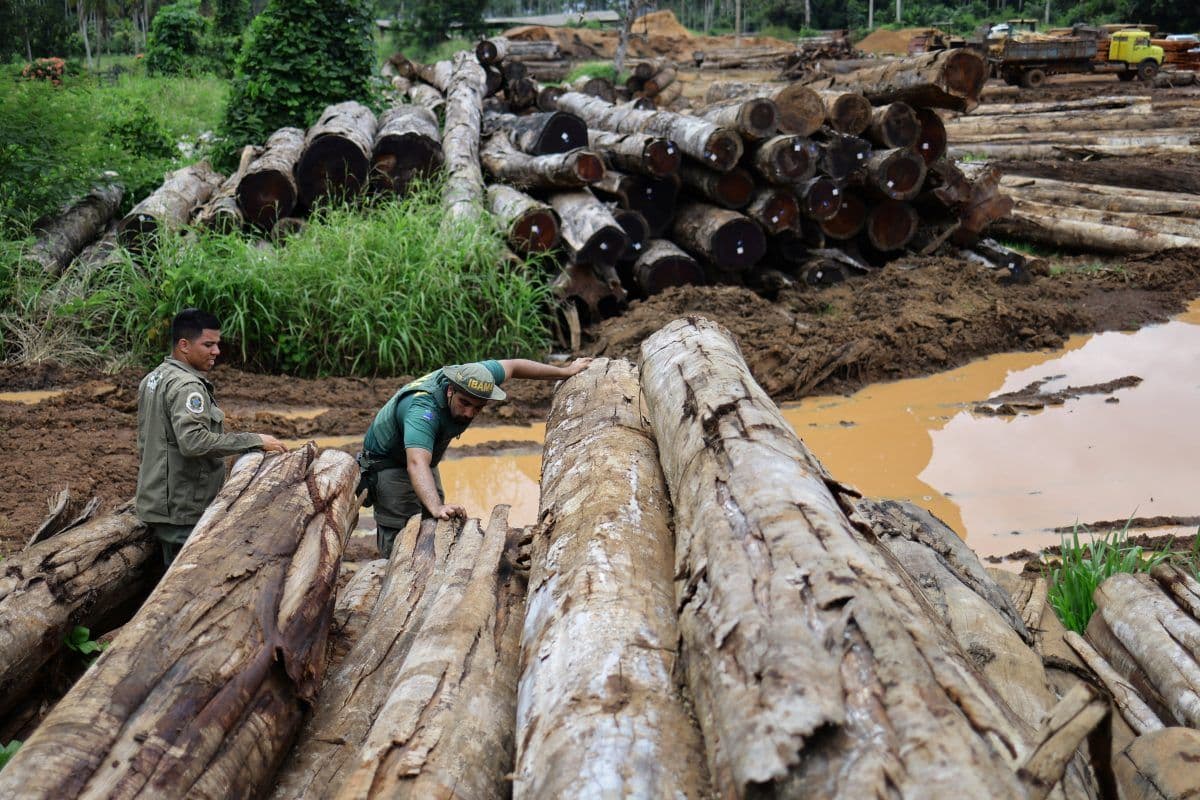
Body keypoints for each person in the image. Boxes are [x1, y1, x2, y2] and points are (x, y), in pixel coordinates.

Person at [358, 357, 592, 557]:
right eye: (464, 403)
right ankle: (390, 582)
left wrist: (565, 371)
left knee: (435, 522)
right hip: (389, 465)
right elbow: (416, 462)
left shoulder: (478, 378)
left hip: (423, 458)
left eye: (478, 408)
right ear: (451, 390)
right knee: (404, 533)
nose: (469, 413)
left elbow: (515, 366)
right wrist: (437, 506)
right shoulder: (423, 409)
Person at [136, 309, 288, 565]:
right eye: (208, 344)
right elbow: (194, 442)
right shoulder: (188, 387)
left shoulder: (154, 377)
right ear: (184, 345)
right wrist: (254, 440)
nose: (216, 351)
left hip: (159, 503)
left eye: (217, 344)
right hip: (182, 510)